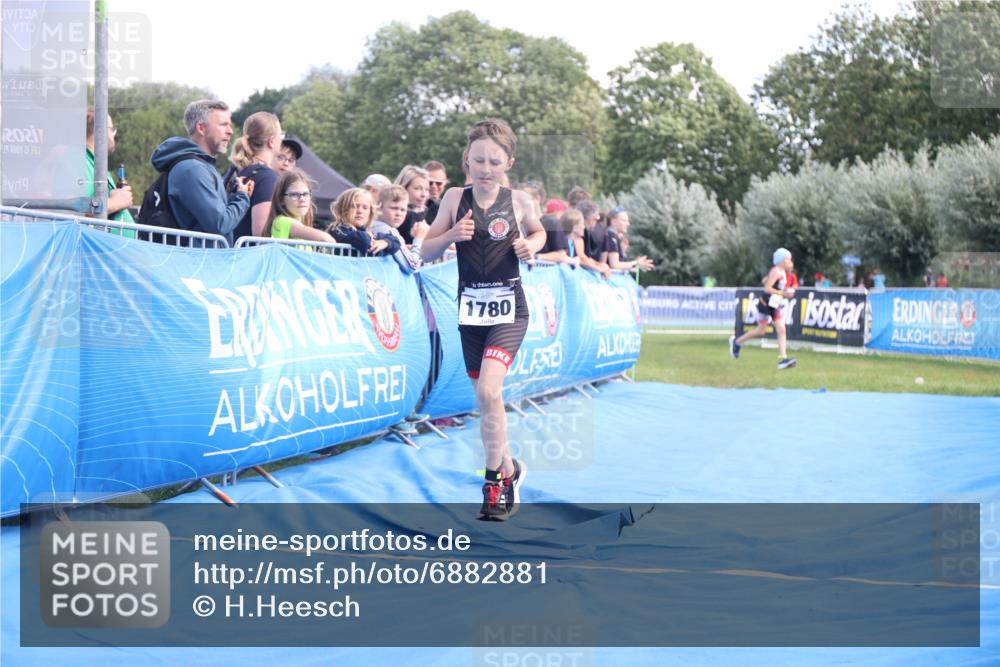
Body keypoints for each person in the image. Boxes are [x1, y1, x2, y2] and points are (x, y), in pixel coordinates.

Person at [420, 118, 546, 521]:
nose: (486, 168)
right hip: (470, 309)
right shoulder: (455, 198)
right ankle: (511, 468)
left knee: (490, 392)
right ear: (466, 161)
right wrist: (452, 234)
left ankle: (494, 484)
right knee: (484, 398)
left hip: (510, 307)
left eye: (494, 161)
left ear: (509, 162)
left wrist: (530, 246)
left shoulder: (521, 200)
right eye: (479, 161)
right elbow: (424, 251)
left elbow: (540, 234)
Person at [148, 99, 251, 244]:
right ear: (201, 128)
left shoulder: (199, 166)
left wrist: (233, 197)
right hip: (196, 262)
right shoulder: (193, 169)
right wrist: (242, 197)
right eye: (223, 125)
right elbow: (220, 224)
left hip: (198, 261)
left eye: (230, 125)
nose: (230, 131)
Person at [730, 248, 797, 370]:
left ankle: (782, 359)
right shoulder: (776, 271)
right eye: (788, 259)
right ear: (782, 260)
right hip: (766, 303)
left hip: (774, 304)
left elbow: (766, 281)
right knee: (761, 331)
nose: (790, 262)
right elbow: (767, 289)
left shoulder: (782, 272)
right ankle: (737, 342)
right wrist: (783, 293)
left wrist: (782, 291)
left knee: (781, 330)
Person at [226, 111, 283, 242]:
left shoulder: (237, 170)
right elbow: (260, 232)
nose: (282, 139)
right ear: (272, 141)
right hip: (249, 258)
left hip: (230, 253)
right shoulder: (267, 177)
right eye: (281, 135)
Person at [84, 107, 134, 233]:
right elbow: (74, 208)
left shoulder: (95, 163)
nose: (113, 135)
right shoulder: (76, 159)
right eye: (111, 129)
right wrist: (116, 202)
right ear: (100, 130)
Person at [263, 169, 335, 244]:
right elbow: (325, 239)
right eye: (294, 194)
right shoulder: (282, 221)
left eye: (305, 194)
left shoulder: (301, 226)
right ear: (281, 200)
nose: (302, 199)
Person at [327, 188, 400, 257]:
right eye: (354, 206)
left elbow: (396, 241)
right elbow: (364, 242)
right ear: (342, 209)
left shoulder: (366, 232)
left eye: (365, 208)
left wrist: (384, 242)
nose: (360, 211)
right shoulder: (338, 230)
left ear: (370, 213)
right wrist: (375, 242)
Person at [373, 184, 424, 274]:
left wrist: (405, 249)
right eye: (394, 208)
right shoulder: (388, 231)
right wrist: (419, 239)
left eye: (403, 210)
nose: (399, 213)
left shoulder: (375, 225)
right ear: (380, 207)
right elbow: (412, 267)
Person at [605, 206, 654, 273]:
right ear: (613, 221)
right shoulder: (611, 236)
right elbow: (614, 264)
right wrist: (637, 263)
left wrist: (629, 267)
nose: (628, 224)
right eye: (624, 220)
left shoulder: (610, 235)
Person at [394, 165, 432, 244]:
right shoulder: (395, 215)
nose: (424, 194)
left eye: (427, 189)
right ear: (403, 188)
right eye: (417, 188)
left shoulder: (430, 211)